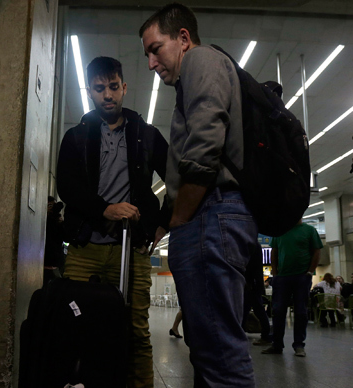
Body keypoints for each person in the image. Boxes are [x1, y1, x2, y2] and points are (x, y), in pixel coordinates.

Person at [140, 4, 259, 386]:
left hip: (212, 213)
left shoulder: (202, 60)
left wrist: (180, 216)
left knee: (220, 353)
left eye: (155, 48)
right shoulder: (188, 79)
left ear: (184, 39)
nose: (150, 62)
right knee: (208, 348)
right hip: (209, 215)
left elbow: (206, 143)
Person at [56, 56, 169, 388]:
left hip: (131, 251)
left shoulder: (147, 136)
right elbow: (67, 186)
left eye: (113, 87)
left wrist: (161, 224)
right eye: (99, 88)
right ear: (90, 91)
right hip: (84, 247)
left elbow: (177, 178)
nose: (107, 94)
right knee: (76, 324)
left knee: (135, 331)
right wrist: (104, 209)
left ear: (124, 87)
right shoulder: (76, 138)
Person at [262, 220, 322, 357]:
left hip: (302, 276)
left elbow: (316, 251)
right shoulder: (279, 231)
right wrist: (275, 273)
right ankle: (277, 344)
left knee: (301, 311)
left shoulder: (309, 231)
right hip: (282, 277)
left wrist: (309, 272)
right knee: (278, 311)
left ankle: (299, 345)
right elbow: (274, 252)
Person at [44, 196, 65, 285]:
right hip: (45, 263)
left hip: (55, 263)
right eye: (50, 206)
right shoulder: (45, 221)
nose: (52, 208)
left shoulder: (57, 221)